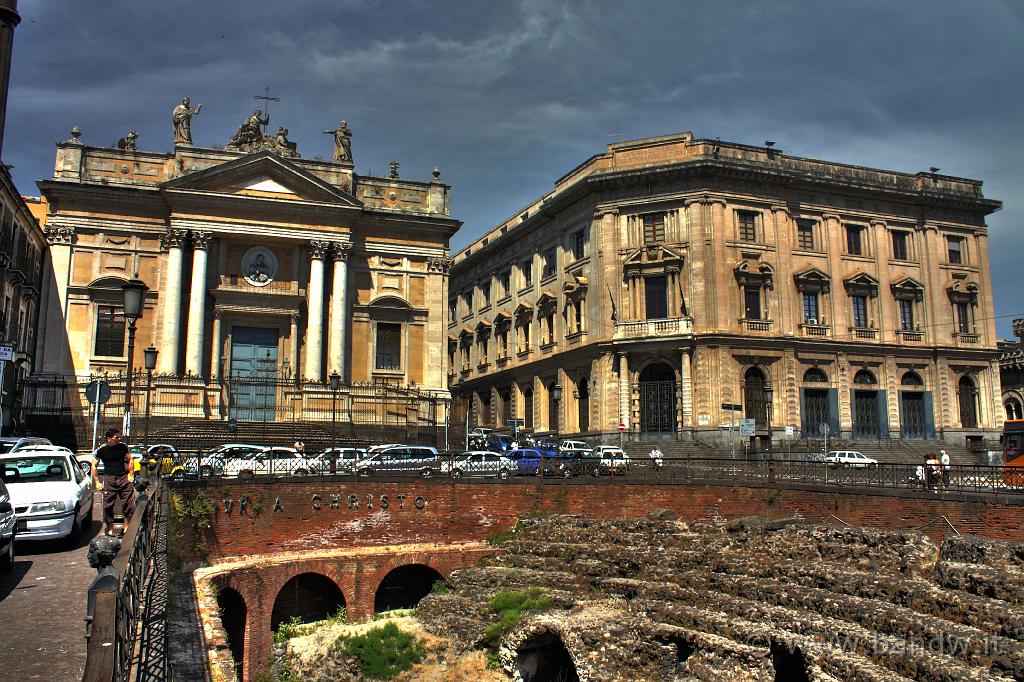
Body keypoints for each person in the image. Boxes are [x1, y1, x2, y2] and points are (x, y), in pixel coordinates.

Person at [92, 429, 136, 538]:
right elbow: (94, 466)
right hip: (109, 479)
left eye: (120, 437)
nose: (119, 439)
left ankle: (125, 528)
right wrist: (97, 482)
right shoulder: (101, 450)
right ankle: (110, 529)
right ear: (109, 438)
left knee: (128, 503)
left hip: (123, 478)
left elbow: (130, 460)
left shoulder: (123, 447)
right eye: (117, 437)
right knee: (108, 505)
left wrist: (131, 474)